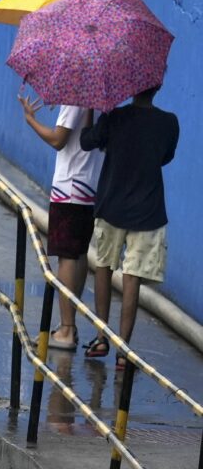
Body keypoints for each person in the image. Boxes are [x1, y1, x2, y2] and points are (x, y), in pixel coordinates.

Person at [79, 85, 179, 369]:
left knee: (103, 267)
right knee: (132, 278)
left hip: (111, 205)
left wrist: (90, 109)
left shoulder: (114, 117)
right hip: (148, 212)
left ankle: (101, 338)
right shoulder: (169, 122)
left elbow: (87, 142)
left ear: (133, 87)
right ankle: (124, 351)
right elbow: (165, 157)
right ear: (159, 86)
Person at [18, 94, 103, 350]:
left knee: (66, 257)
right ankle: (70, 325)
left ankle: (66, 330)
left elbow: (58, 139)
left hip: (69, 188)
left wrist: (30, 120)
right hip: (89, 187)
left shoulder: (74, 101)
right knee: (78, 255)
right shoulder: (102, 99)